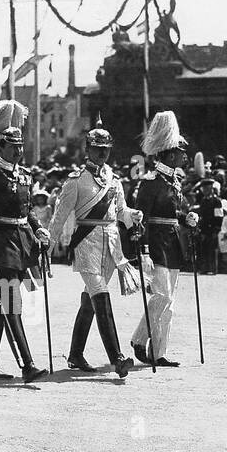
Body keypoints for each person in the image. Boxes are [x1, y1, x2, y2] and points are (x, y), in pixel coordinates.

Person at [47, 116, 141, 377]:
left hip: (111, 246)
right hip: (87, 243)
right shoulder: (75, 181)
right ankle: (117, 358)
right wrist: (48, 247)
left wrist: (134, 215)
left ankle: (76, 354)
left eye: (106, 149)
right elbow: (59, 217)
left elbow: (120, 212)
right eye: (97, 148)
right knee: (100, 294)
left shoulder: (115, 180)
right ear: (87, 149)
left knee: (89, 301)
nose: (102, 153)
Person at [0, 99, 49, 384]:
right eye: (13, 147)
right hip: (1, 244)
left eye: (20, 147)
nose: (19, 152)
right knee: (11, 303)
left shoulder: (25, 177)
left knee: (1, 307)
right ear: (1, 148)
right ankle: (27, 364)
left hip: (22, 243)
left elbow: (27, 208)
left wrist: (38, 227)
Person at [130, 110, 198, 366]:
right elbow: (141, 218)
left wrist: (187, 218)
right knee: (162, 297)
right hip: (156, 244)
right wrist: (143, 250)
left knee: (169, 304)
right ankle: (139, 339)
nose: (184, 156)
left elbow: (176, 212)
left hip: (173, 243)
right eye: (181, 153)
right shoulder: (150, 182)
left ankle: (159, 353)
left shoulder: (174, 181)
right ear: (170, 154)